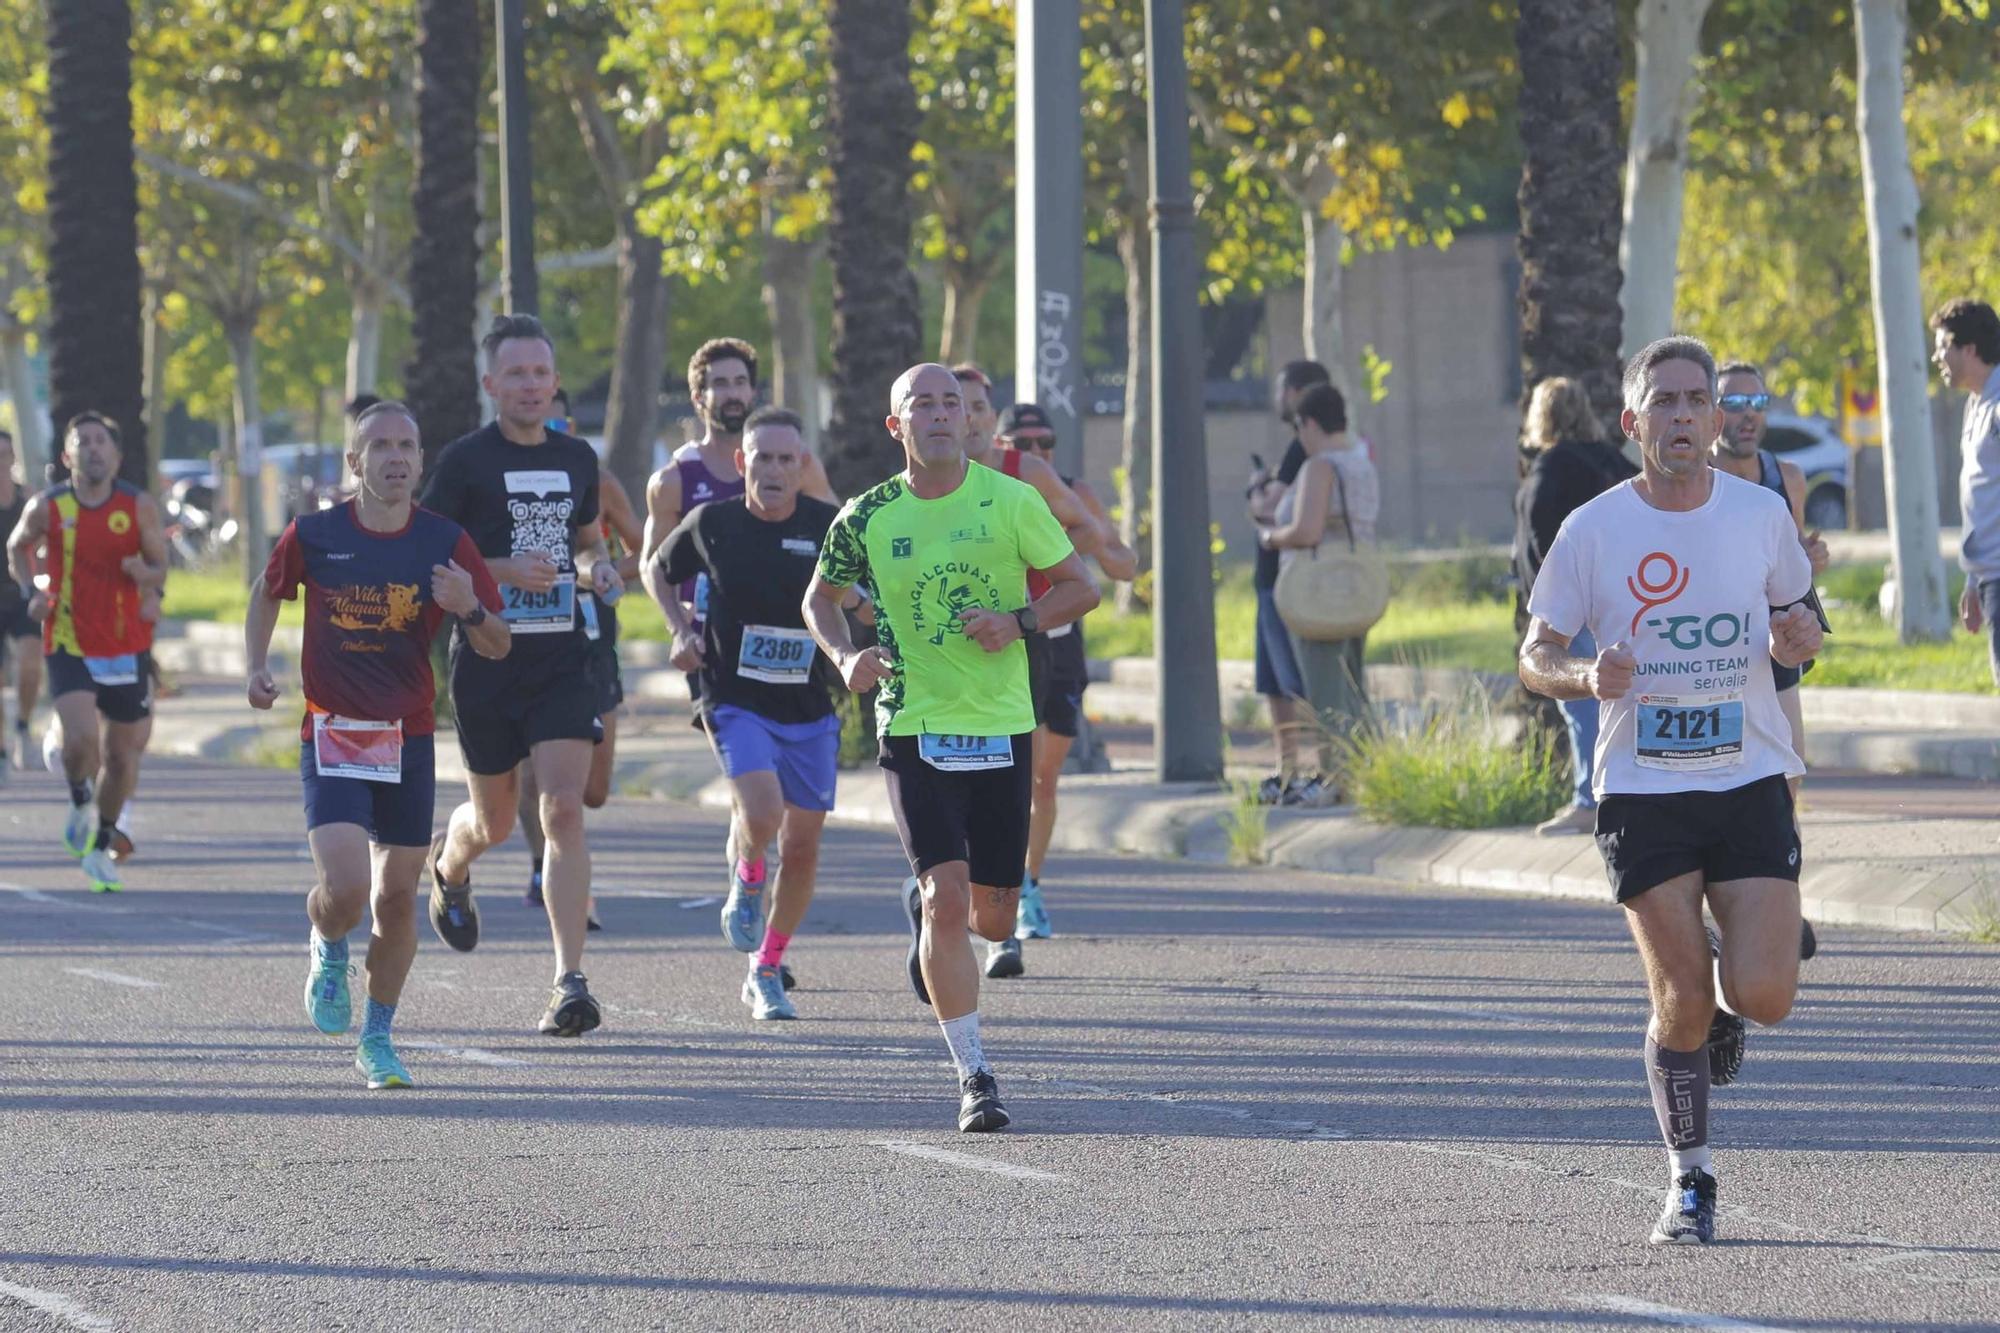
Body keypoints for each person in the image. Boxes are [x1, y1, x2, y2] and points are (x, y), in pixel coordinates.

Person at [1520, 335, 1823, 1246]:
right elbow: (1536, 657)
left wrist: (1800, 641)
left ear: (1716, 416)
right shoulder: (1594, 528)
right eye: (1668, 403)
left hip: (1746, 775)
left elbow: (1800, 621)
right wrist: (1583, 676)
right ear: (1634, 422)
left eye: (1700, 400)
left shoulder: (1759, 513)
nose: (1687, 416)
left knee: (1763, 994)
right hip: (1643, 787)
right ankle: (1689, 1180)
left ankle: (1736, 991)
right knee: (1680, 1000)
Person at [804, 363, 1099, 1132]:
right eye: (920, 405)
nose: (939, 415)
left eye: (950, 404)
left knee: (995, 921)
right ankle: (975, 1075)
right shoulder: (867, 515)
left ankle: (935, 906)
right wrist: (844, 658)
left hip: (1002, 722)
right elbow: (818, 598)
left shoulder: (1011, 500)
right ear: (895, 425)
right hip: (911, 723)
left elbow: (1081, 584)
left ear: (969, 421)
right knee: (948, 895)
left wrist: (1020, 620)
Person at [245, 400, 509, 1088]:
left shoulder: (446, 542)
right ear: (355, 463)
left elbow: (498, 640)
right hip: (332, 732)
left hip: (407, 738)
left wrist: (468, 606)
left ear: (421, 462)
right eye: (380, 445)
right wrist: (256, 666)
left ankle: (379, 1037)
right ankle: (328, 940)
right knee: (348, 888)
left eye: (407, 446)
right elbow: (268, 591)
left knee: (395, 897)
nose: (395, 457)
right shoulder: (314, 533)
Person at [418, 314, 624, 1037]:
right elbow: (430, 551)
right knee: (496, 823)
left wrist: (599, 570)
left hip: (563, 656)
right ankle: (450, 864)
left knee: (563, 809)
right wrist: (500, 571)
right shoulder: (465, 461)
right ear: (490, 384)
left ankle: (570, 979)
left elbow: (589, 540)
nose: (531, 385)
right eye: (516, 374)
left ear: (556, 379)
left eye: (541, 372)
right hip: (489, 656)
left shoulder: (576, 457)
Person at [648, 407, 863, 1019]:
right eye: (761, 458)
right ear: (742, 463)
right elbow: (661, 574)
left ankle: (765, 967)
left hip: (808, 703)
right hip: (732, 695)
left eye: (785, 460)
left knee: (803, 849)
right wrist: (680, 628)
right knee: (762, 811)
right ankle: (746, 875)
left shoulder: (829, 526)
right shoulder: (711, 523)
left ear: (802, 467)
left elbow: (859, 595)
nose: (772, 470)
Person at [952, 368, 1126, 977]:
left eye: (973, 405)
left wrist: (1032, 568)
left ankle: (1010, 907)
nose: (961, 416)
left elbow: (1086, 528)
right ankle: (944, 901)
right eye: (948, 404)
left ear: (985, 415)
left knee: (1018, 781)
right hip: (944, 656)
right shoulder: (912, 485)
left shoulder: (1022, 472)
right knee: (957, 788)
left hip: (1021, 641)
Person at [5, 413, 168, 893]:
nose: (93, 449)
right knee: (81, 743)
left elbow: (160, 566)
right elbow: (18, 547)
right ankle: (79, 798)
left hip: (126, 645)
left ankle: (99, 848)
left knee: (122, 758)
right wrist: (31, 590)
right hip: (68, 639)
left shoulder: (138, 506)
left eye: (102, 442)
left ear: (116, 457)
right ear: (67, 455)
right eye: (84, 442)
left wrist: (147, 576)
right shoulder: (48, 506)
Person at [518, 389, 643, 931]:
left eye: (558, 418)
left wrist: (610, 571)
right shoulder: (505, 483)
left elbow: (645, 548)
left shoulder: (596, 477)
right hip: (530, 640)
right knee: (544, 778)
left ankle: (555, 852)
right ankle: (549, 865)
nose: (548, 427)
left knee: (592, 790)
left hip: (593, 640)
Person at [1512, 376, 1639, 836]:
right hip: (1625, 600)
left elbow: (1545, 539)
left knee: (1582, 703)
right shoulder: (1612, 461)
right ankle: (1614, 792)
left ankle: (1590, 799)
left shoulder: (1552, 467)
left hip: (1575, 611)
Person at [1709, 363, 1830, 802]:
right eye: (1735, 403)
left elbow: (1791, 556)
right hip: (1716, 644)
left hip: (1776, 640)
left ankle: (1783, 861)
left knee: (1788, 772)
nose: (1748, 415)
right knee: (1725, 775)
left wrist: (1811, 559)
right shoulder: (1694, 477)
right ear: (1714, 412)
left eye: (1757, 403)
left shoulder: (1787, 478)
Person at [1254, 383, 1378, 803]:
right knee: (1353, 683)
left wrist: (1271, 537)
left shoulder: (1321, 466)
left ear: (1309, 422)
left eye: (1298, 427)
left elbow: (1307, 530)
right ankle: (1362, 770)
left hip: (1320, 589)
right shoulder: (1360, 461)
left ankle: (1335, 778)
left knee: (1325, 686)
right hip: (1358, 582)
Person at [1248, 360, 1332, 804]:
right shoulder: (1302, 447)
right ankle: (1287, 770)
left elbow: (1267, 508)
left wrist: (1255, 493)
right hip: (1271, 580)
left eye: (1281, 389)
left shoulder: (1308, 449)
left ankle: (1320, 770)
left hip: (1290, 581)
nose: (1276, 399)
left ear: (1297, 392)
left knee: (1296, 679)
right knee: (1274, 682)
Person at [1932, 298, 2000, 685]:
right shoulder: (1977, 404)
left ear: (1969, 349)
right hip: (1990, 577)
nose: (1936, 356)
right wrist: (1973, 581)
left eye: (1943, 347)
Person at [0, 429, 45, 772]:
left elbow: (46, 546)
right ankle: (2, 745)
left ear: (13, 458)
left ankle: (23, 726)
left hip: (23, 594)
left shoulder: (29, 500)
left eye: (5, 454)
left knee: (30, 663)